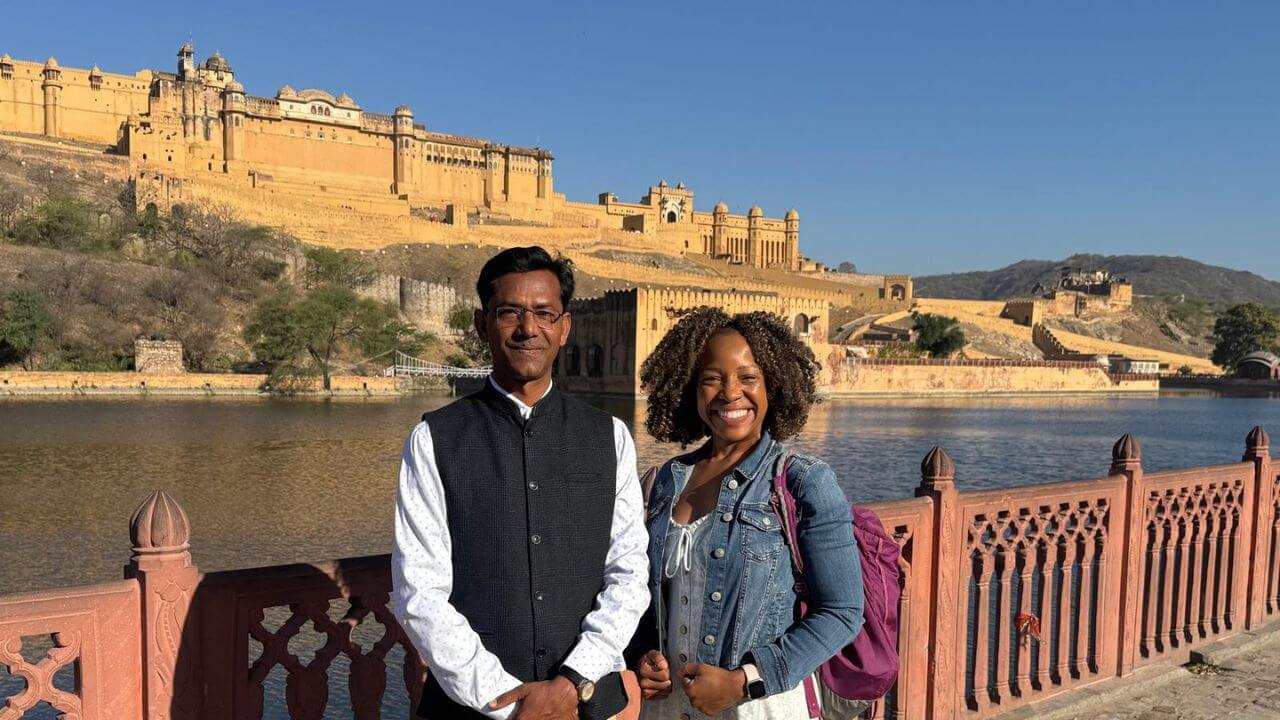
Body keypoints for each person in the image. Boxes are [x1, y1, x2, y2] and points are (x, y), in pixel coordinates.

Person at [391, 246, 650, 720]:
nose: (529, 328)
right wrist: (508, 703)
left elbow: (629, 575)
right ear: (481, 324)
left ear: (564, 327)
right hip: (472, 709)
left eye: (544, 314)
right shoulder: (434, 439)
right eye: (510, 313)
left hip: (588, 705)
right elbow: (419, 592)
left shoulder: (609, 437)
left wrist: (572, 683)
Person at [628, 308, 865, 720]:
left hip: (759, 706)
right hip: (670, 711)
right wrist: (645, 655)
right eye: (712, 379)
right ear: (690, 389)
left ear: (773, 384)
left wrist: (744, 681)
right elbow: (649, 599)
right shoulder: (666, 480)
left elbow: (843, 612)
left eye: (747, 377)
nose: (730, 393)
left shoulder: (803, 482)